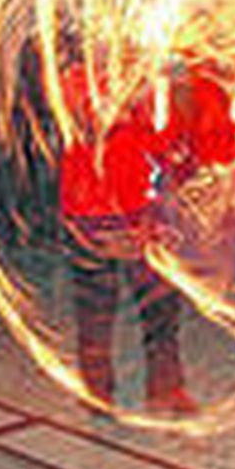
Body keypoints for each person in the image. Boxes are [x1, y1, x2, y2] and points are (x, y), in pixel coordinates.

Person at [58, 59, 196, 415]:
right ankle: (97, 393)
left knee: (162, 307)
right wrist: (131, 93)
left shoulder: (141, 74)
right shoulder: (75, 77)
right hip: (91, 216)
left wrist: (178, 93)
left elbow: (163, 141)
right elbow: (88, 123)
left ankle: (167, 388)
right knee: (95, 313)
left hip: (138, 213)